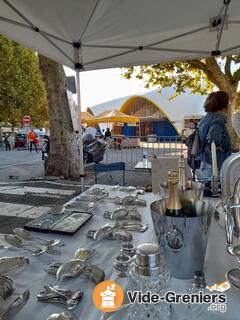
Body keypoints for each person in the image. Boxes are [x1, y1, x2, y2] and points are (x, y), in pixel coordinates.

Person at [198, 91, 231, 196]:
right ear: (223, 105)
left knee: (208, 189)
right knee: (214, 192)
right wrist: (218, 145)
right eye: (228, 102)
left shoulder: (206, 118)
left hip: (206, 159)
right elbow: (213, 137)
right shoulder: (217, 120)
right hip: (216, 161)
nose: (229, 105)